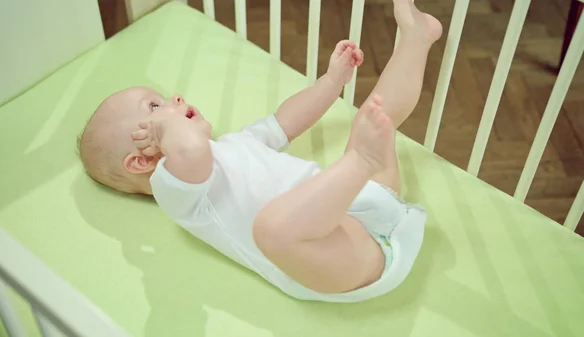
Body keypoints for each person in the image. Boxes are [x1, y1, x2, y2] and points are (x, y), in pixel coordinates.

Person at [78, 0, 442, 302]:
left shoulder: (234, 144)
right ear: (141, 160)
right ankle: (358, 162)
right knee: (270, 229)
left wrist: (330, 83)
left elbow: (285, 121)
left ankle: (416, 38)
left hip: (362, 206)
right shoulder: (176, 193)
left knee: (376, 115)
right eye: (154, 109)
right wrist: (170, 127)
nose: (172, 99)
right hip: (337, 260)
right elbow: (188, 151)